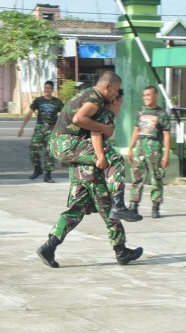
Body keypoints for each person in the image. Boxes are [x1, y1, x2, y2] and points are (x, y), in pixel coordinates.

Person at [38, 89, 143, 267]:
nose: (121, 107)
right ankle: (121, 249)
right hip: (92, 173)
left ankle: (49, 246)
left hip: (78, 171)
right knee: (110, 210)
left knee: (75, 210)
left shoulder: (94, 112)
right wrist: (102, 157)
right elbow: (96, 135)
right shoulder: (106, 114)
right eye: (121, 102)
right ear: (115, 100)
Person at [46, 70, 140, 222]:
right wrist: (104, 130)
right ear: (108, 87)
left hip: (61, 143)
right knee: (114, 158)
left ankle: (89, 202)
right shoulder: (96, 98)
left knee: (96, 166)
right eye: (115, 90)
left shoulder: (88, 93)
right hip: (65, 142)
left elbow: (91, 128)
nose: (115, 95)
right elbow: (79, 118)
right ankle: (118, 206)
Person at [127, 85, 172, 218]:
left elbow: (167, 135)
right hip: (140, 147)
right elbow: (136, 130)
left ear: (155, 96)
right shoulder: (140, 112)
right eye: (144, 95)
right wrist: (131, 148)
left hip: (154, 147)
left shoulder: (162, 114)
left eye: (148, 95)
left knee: (156, 177)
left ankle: (155, 206)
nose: (145, 98)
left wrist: (166, 154)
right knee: (137, 176)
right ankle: (133, 205)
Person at [17, 80, 65, 182]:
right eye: (45, 88)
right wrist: (22, 127)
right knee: (33, 149)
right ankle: (37, 169)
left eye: (49, 88)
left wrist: (62, 130)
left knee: (50, 152)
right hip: (39, 129)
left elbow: (63, 116)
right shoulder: (38, 100)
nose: (47, 90)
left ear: (52, 89)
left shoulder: (57, 102)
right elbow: (30, 113)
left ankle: (48, 175)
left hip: (52, 130)